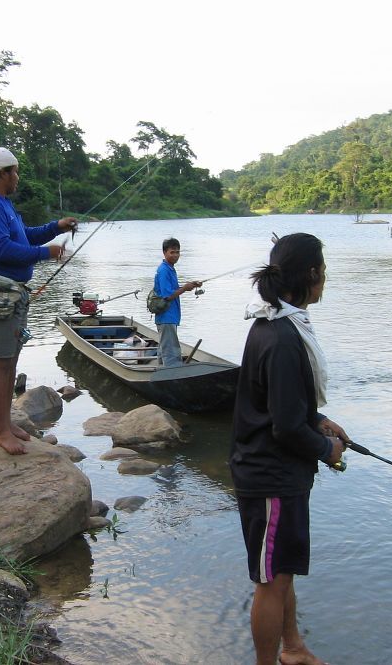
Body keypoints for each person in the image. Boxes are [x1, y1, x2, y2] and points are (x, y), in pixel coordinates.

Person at [229, 232, 348, 665]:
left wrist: (319, 421)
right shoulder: (280, 337)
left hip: (281, 476)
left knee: (282, 573)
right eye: (323, 270)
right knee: (270, 582)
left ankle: (293, 648)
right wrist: (326, 449)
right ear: (312, 273)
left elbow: (282, 405)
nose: (325, 278)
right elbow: (283, 427)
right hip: (270, 479)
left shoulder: (276, 324)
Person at [0, 146, 77, 455]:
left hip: (10, 292)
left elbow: (24, 236)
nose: (17, 177)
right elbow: (2, 250)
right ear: (3, 174)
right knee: (1, 362)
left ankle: (5, 423)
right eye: (14, 172)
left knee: (10, 360)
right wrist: (49, 252)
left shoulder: (2, 203)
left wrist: (56, 227)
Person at [153, 238, 202, 367]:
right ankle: (171, 374)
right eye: (172, 252)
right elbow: (167, 295)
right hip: (166, 316)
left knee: (165, 346)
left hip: (170, 316)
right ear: (164, 252)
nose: (175, 255)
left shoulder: (170, 268)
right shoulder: (164, 270)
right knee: (171, 351)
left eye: (177, 252)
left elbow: (173, 289)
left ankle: (161, 371)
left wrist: (190, 285)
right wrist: (185, 288)